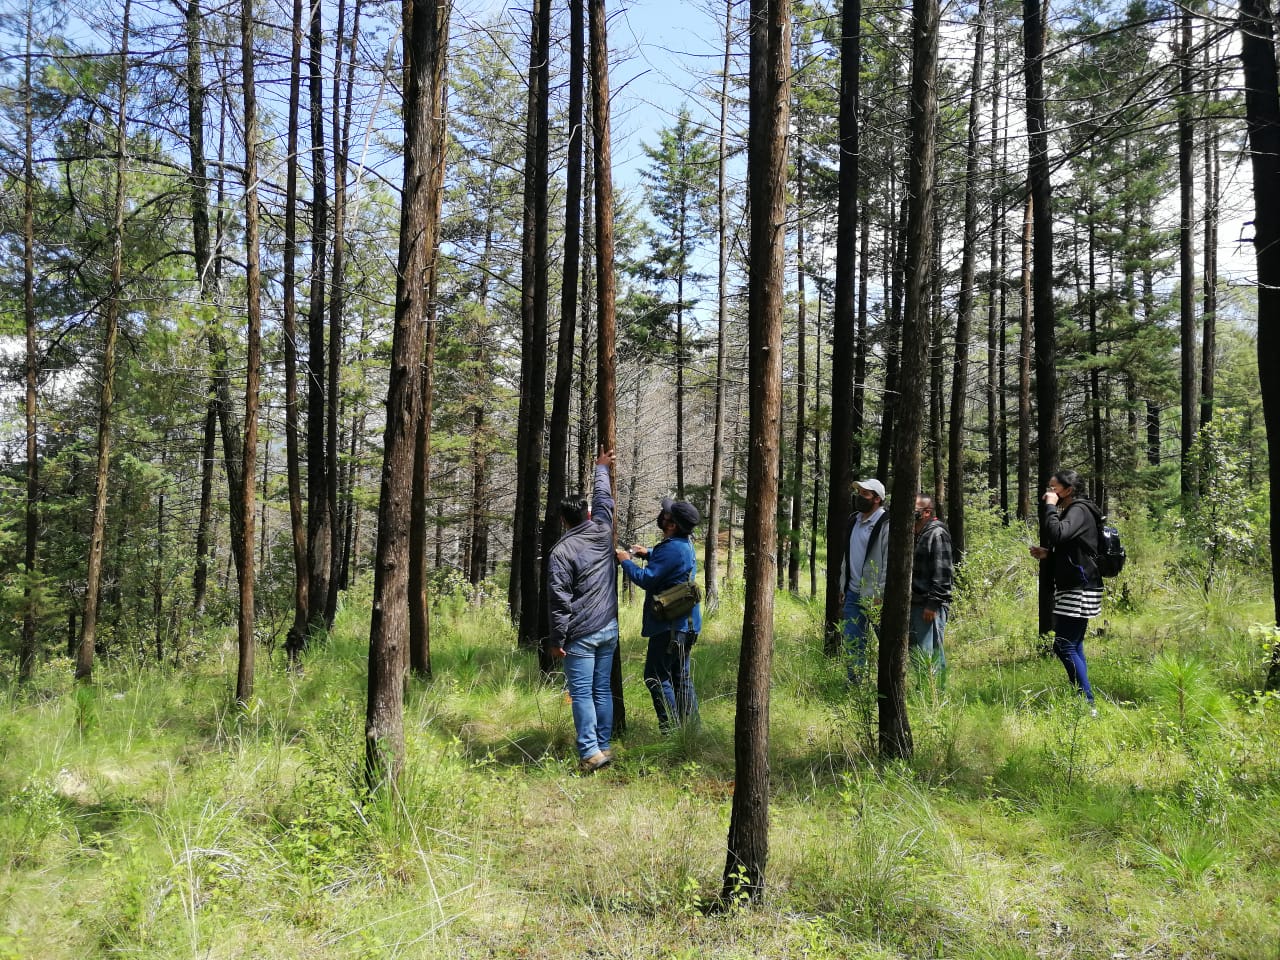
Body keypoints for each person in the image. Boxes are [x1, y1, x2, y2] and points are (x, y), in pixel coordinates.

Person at [548, 449, 619, 773]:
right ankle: (602, 746)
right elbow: (605, 499)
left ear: (564, 520)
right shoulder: (603, 530)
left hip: (580, 633)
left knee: (581, 693)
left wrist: (558, 638)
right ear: (587, 515)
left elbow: (560, 600)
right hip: (608, 626)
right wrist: (600, 469)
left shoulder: (561, 551)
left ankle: (591, 753)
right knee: (600, 689)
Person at [616, 497, 701, 733]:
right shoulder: (683, 543)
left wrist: (626, 562)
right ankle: (691, 730)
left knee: (655, 676)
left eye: (666, 514)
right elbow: (671, 560)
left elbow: (646, 579)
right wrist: (648, 553)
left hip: (671, 627)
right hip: (687, 625)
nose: (662, 516)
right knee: (679, 677)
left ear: (672, 525)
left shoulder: (672, 548)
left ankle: (671, 731)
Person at [1029, 468, 1103, 716]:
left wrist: (1050, 508)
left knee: (1063, 645)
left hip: (1079, 587)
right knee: (1074, 644)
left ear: (1068, 490)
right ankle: (1082, 698)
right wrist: (1049, 554)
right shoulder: (1077, 510)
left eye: (1053, 489)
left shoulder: (1078, 510)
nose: (1048, 494)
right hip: (1079, 584)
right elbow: (1073, 547)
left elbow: (1057, 533)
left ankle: (1087, 702)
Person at [838, 478, 889, 682]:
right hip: (852, 594)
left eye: (864, 494)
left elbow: (888, 562)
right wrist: (843, 584)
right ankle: (855, 685)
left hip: (876, 597)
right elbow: (847, 556)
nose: (859, 497)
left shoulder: (885, 524)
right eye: (858, 493)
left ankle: (890, 685)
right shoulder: (854, 520)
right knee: (852, 641)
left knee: (887, 644)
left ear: (877, 499)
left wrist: (881, 594)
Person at [909, 493, 953, 681]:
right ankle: (923, 692)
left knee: (931, 653)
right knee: (918, 654)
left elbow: (943, 572)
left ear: (926, 512)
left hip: (928, 607)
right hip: (914, 603)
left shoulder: (937, 533)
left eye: (916, 508)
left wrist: (933, 604)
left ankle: (936, 696)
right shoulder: (915, 534)